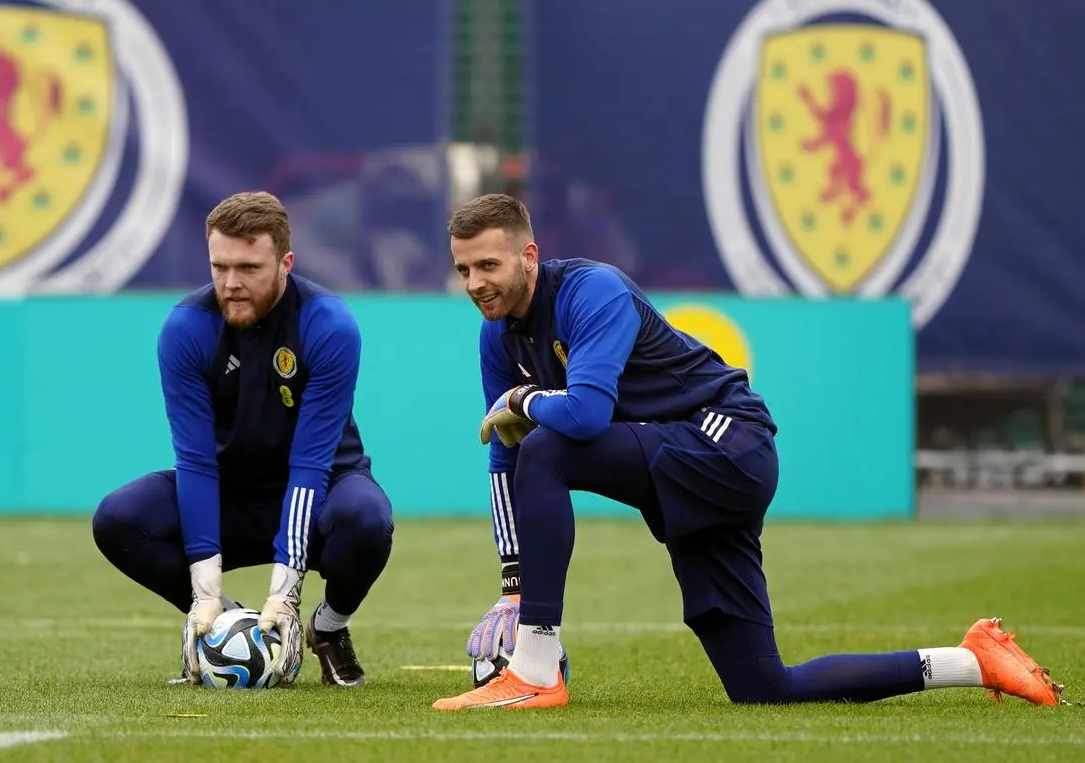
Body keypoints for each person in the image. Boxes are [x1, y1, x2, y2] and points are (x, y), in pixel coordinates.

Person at [431, 194, 1067, 710]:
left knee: (548, 449)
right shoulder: (496, 339)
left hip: (727, 441)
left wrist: (525, 402)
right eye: (463, 269)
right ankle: (972, 660)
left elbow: (584, 414)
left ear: (529, 256)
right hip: (683, 467)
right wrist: (514, 585)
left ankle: (536, 671)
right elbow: (502, 460)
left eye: (488, 265)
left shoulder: (592, 292)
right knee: (764, 688)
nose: (475, 283)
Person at [92, 191, 394, 688]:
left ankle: (328, 628)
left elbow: (310, 464)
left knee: (367, 520)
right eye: (219, 266)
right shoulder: (186, 328)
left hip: (321, 493)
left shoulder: (328, 325)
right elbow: (195, 462)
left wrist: (286, 594)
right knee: (120, 518)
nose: (231, 284)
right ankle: (230, 629)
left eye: (249, 268)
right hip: (229, 494)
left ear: (285, 263)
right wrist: (206, 592)